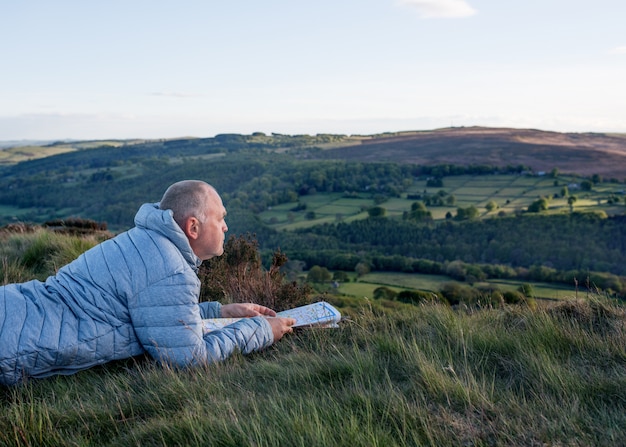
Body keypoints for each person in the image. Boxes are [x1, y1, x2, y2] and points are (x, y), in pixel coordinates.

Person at [0, 180, 295, 386]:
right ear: (193, 227)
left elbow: (150, 311)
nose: (226, 227)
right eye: (220, 219)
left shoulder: (147, 241)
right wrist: (260, 330)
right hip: (12, 342)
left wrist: (219, 311)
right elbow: (190, 359)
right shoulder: (171, 269)